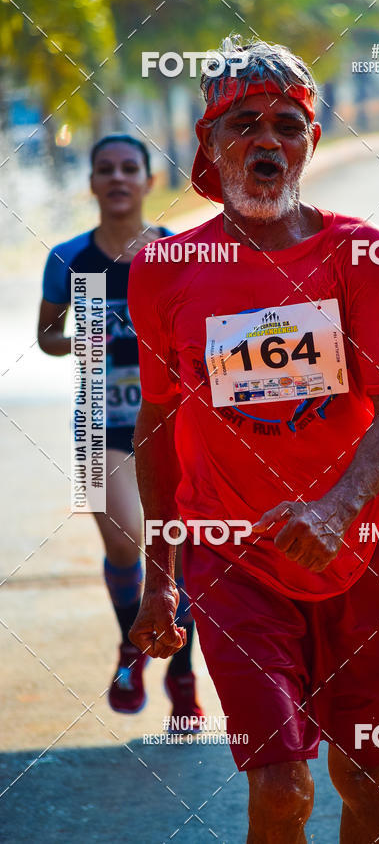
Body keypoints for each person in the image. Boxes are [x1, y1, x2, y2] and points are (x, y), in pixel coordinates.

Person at [128, 37, 379, 843]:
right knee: (281, 788)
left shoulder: (356, 252)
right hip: (235, 559)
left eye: (287, 124)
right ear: (209, 142)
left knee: (368, 776)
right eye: (243, 123)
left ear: (309, 143)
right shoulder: (164, 268)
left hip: (363, 549)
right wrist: (160, 580)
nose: (267, 140)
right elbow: (158, 423)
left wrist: (338, 508)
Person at [37, 134, 203, 723]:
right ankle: (132, 646)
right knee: (124, 544)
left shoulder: (176, 254)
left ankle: (182, 677)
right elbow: (47, 336)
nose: (117, 178)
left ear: (148, 181)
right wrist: (76, 340)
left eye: (129, 168)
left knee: (177, 552)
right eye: (104, 168)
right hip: (98, 425)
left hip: (169, 424)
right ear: (91, 183)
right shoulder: (69, 260)